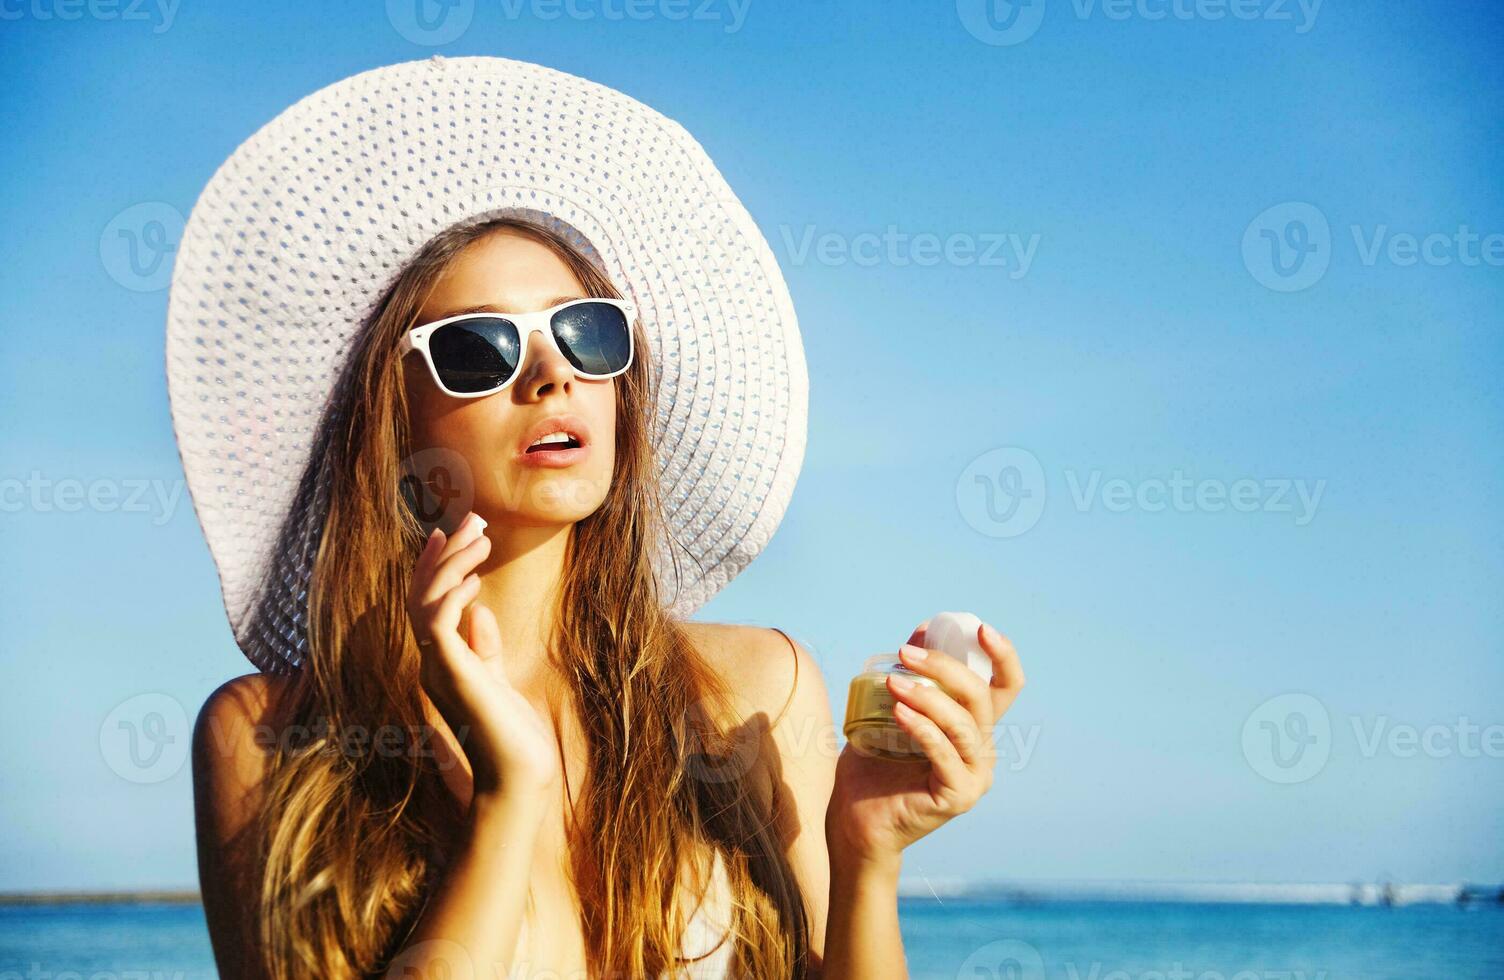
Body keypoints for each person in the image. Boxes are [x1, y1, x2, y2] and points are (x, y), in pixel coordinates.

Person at [170, 57, 1026, 980]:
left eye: (586, 331)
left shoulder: (753, 690)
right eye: (478, 348)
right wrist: (511, 796)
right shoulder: (269, 739)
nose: (552, 377)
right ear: (394, 417)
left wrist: (867, 856)